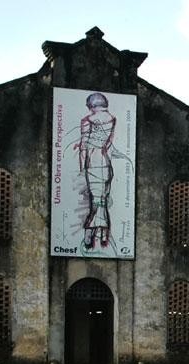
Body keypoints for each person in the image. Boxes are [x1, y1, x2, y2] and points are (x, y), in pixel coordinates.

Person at [77, 92, 116, 249]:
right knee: (102, 200)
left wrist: (82, 168)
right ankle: (103, 234)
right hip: (105, 161)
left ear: (91, 105)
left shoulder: (87, 121)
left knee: (96, 201)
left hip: (93, 162)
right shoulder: (112, 119)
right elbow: (108, 143)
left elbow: (83, 146)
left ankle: (89, 232)